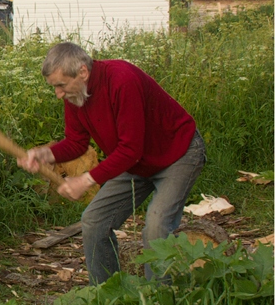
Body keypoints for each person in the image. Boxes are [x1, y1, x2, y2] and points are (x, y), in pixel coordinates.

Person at [18, 42, 206, 284]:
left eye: (61, 85)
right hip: (137, 162)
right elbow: (76, 142)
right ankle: (109, 298)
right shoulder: (76, 95)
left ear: (83, 72)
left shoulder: (121, 80)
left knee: (157, 226)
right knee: (94, 221)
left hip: (178, 153)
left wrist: (85, 180)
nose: (58, 94)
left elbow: (130, 150)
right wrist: (46, 154)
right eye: (54, 87)